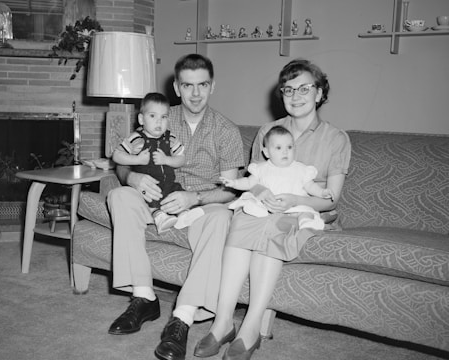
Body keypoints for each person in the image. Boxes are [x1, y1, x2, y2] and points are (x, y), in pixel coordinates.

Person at [193, 59, 351, 360]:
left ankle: (250, 327)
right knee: (240, 220)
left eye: (305, 88)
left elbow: (331, 199)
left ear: (319, 94)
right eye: (288, 89)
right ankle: (223, 322)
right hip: (264, 207)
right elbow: (255, 180)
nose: (296, 95)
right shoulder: (269, 131)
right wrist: (261, 192)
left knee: (272, 226)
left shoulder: (336, 139)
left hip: (308, 212)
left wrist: (293, 201)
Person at [107, 53, 245, 360]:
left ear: (213, 87)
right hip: (154, 197)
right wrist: (132, 179)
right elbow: (121, 164)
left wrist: (193, 198)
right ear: (176, 87)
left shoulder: (226, 130)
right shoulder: (159, 116)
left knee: (222, 217)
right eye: (187, 85)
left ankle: (181, 317)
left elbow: (230, 190)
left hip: (200, 203)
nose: (195, 93)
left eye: (202, 85)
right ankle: (143, 297)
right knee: (118, 196)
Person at [222, 125, 334, 233]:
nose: (285, 151)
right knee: (251, 199)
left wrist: (322, 192)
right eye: (279, 148)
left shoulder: (301, 169)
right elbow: (248, 183)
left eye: (289, 147)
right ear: (267, 152)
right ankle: (256, 211)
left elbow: (311, 186)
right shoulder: (261, 168)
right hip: (268, 205)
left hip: (294, 207)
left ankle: (307, 223)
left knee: (306, 212)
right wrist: (233, 183)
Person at [112, 92, 185, 234]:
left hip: (168, 183)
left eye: (163, 117)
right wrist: (137, 159)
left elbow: (181, 158)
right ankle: (158, 217)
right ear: (141, 119)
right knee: (149, 200)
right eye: (152, 116)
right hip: (147, 186)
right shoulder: (136, 139)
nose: (159, 122)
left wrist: (167, 160)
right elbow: (117, 155)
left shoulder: (171, 138)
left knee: (177, 193)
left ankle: (184, 215)